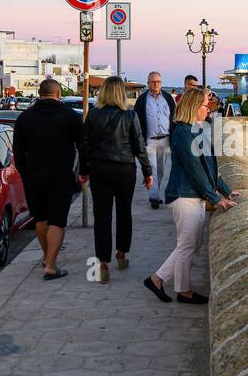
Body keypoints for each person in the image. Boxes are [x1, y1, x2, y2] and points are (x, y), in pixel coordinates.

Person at [144, 88, 237, 305]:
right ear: (194, 107)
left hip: (191, 195)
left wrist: (226, 189)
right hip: (184, 195)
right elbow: (195, 169)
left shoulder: (196, 130)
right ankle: (177, 288)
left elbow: (210, 166)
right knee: (187, 245)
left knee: (190, 244)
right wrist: (215, 198)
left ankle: (160, 281)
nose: (208, 110)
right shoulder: (183, 134)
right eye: (205, 106)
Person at [80, 77, 153, 284]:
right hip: (124, 169)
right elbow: (139, 145)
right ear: (121, 93)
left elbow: (85, 146)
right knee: (124, 212)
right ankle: (121, 252)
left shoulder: (93, 115)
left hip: (100, 168)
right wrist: (147, 172)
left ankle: (102, 263)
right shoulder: (130, 115)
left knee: (101, 216)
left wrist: (83, 171)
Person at [13, 77, 84, 280]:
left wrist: (25, 173)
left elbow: (18, 152)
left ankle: (46, 257)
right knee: (57, 221)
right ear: (59, 95)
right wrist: (83, 171)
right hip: (60, 174)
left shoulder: (24, 118)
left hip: (33, 175)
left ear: (39, 95)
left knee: (41, 218)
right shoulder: (70, 116)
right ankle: (51, 266)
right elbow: (83, 146)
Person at [133, 71, 176, 209]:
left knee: (161, 170)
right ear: (148, 83)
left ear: (161, 83)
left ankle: (154, 191)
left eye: (158, 81)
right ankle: (154, 197)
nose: (156, 84)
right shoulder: (142, 100)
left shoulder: (168, 99)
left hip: (165, 140)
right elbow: (136, 121)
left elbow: (174, 118)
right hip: (149, 141)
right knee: (152, 168)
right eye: (153, 81)